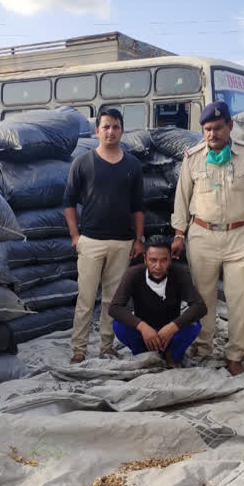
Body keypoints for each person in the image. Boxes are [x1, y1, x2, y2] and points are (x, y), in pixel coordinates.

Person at [170, 101, 244, 376]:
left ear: (230, 126)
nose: (212, 134)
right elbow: (182, 199)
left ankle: (235, 353)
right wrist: (179, 234)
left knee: (239, 298)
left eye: (217, 128)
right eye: (206, 129)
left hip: (241, 235)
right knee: (203, 298)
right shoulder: (192, 157)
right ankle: (203, 347)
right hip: (202, 235)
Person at [64, 108, 145, 364]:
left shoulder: (132, 165)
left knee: (113, 300)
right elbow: (68, 203)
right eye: (106, 127)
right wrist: (76, 236)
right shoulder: (83, 162)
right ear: (97, 130)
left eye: (116, 127)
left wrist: (138, 239)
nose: (111, 131)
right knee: (86, 299)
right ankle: (79, 349)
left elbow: (138, 207)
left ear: (122, 130)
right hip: (91, 241)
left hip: (122, 242)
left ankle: (107, 346)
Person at [109, 235, 207, 368]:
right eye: (153, 260)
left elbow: (200, 306)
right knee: (118, 325)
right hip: (144, 333)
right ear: (145, 259)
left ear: (170, 259)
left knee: (194, 324)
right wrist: (143, 327)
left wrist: (172, 327)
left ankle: (171, 354)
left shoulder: (179, 273)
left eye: (164, 260)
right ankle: (143, 354)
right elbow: (114, 307)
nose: (158, 266)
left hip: (171, 333)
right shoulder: (133, 274)